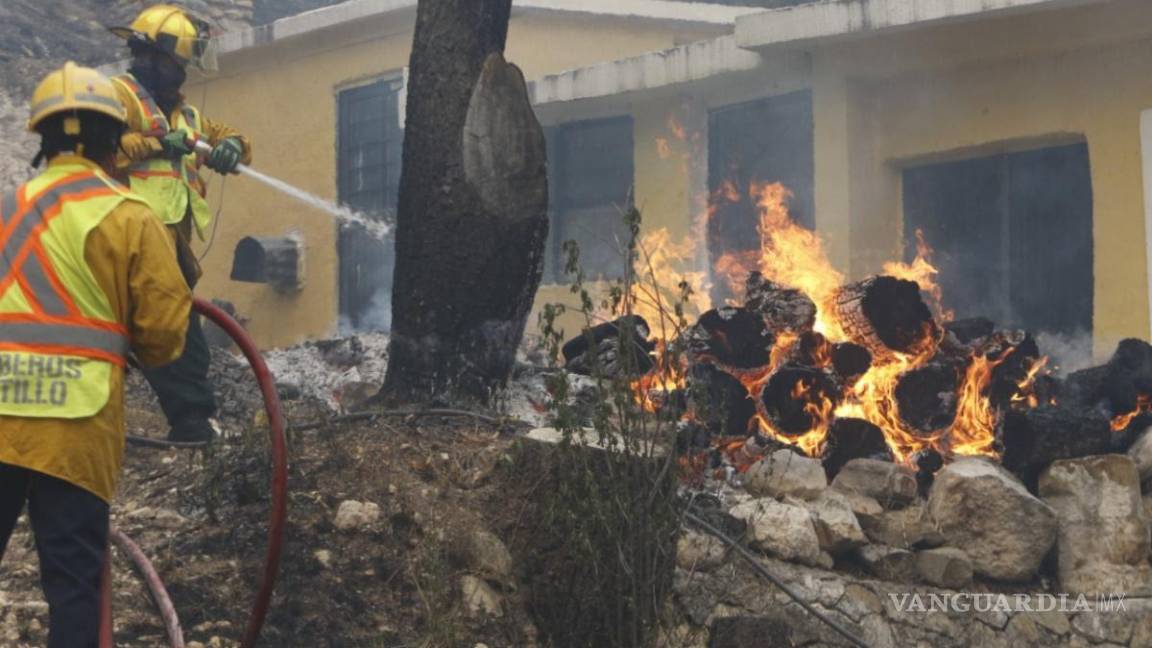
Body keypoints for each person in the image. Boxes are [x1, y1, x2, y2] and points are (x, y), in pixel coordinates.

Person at [0, 62, 191, 648]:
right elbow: (165, 334)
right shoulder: (131, 216)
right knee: (73, 584)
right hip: (74, 426)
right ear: (115, 140)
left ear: (44, 137)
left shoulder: (5, 209)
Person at [109, 4, 253, 444]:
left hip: (172, 244)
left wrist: (232, 146)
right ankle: (191, 421)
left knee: (170, 328)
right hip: (127, 240)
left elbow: (228, 136)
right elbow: (98, 148)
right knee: (175, 327)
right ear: (150, 57)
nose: (182, 75)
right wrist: (157, 145)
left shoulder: (187, 116)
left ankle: (191, 424)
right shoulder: (117, 96)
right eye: (177, 64)